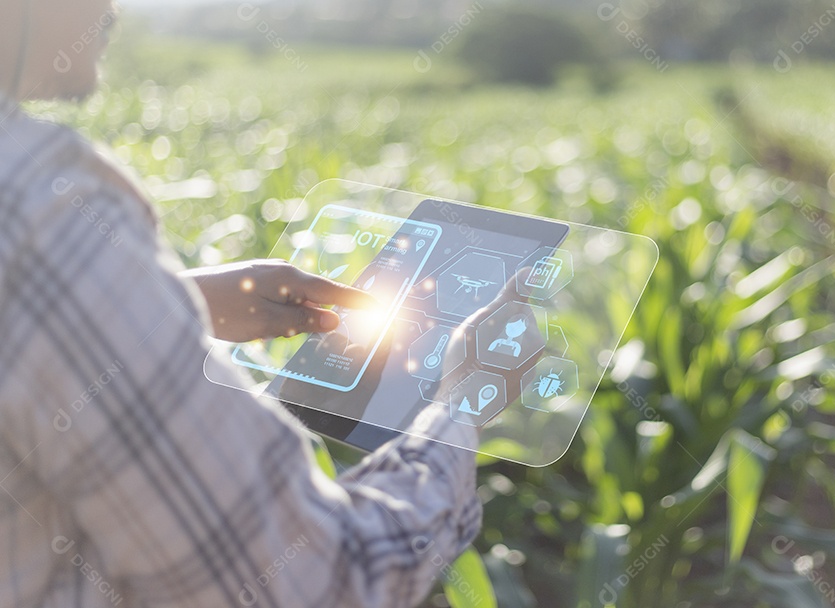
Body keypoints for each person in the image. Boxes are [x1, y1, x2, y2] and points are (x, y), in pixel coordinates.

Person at [0, 0, 483, 606]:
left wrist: (174, 303)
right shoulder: (38, 205)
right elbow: (315, 585)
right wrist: (459, 407)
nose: (112, 9)